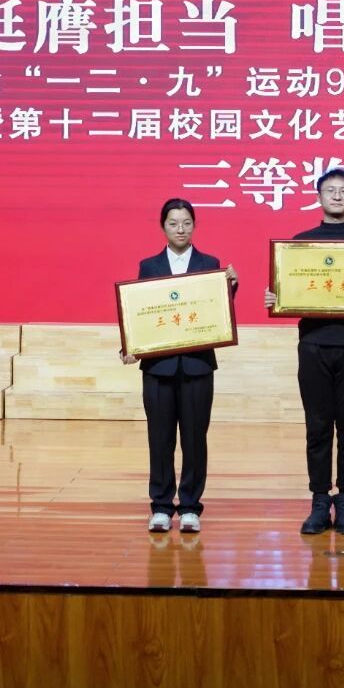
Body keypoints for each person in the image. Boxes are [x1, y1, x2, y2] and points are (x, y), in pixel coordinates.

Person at [264, 168, 344, 535]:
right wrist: (278, 297)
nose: (337, 196)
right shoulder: (301, 244)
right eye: (330, 190)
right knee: (318, 427)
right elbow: (289, 292)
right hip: (314, 344)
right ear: (318, 196)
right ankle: (320, 500)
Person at [122, 198, 238, 534]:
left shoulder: (210, 264)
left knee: (194, 439)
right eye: (173, 223)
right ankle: (160, 506)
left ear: (194, 225)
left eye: (187, 223)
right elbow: (141, 314)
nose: (181, 229)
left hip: (197, 366)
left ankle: (189, 506)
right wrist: (130, 346)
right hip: (158, 369)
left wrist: (229, 287)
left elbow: (215, 312)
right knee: (159, 439)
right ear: (163, 227)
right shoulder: (149, 266)